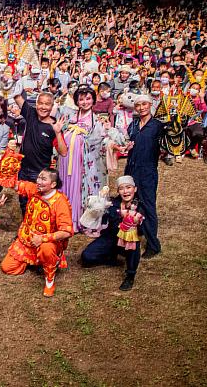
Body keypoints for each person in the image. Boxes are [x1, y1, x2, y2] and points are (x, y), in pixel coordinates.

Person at [0, 169, 73, 297]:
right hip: (26, 241)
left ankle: (49, 280)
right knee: (8, 268)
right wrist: (6, 169)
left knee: (47, 248)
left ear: (53, 184)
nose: (38, 181)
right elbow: (16, 184)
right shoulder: (34, 190)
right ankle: (34, 261)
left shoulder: (59, 202)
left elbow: (66, 231)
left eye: (43, 179)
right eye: (38, 178)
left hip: (47, 243)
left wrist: (43, 238)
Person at [57, 85, 108, 231]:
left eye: (88, 99)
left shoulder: (96, 120)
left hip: (82, 161)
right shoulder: (70, 116)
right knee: (64, 183)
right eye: (81, 99)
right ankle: (63, 218)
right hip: (66, 159)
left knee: (78, 186)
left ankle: (77, 219)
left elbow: (98, 141)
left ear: (93, 100)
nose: (85, 102)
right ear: (76, 101)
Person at [80, 176, 143, 291]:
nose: (125, 191)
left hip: (127, 240)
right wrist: (96, 205)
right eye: (121, 189)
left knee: (134, 243)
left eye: (128, 187)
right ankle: (111, 258)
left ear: (135, 189)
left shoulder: (139, 205)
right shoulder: (112, 203)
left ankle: (130, 275)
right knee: (86, 258)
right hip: (111, 237)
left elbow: (143, 230)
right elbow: (99, 217)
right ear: (118, 191)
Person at [123, 94, 164, 258]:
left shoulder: (157, 126)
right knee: (131, 204)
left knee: (148, 205)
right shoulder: (133, 125)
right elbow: (128, 142)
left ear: (150, 105)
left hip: (147, 170)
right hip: (132, 168)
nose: (141, 108)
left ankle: (153, 244)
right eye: (138, 105)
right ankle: (130, 236)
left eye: (144, 104)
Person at [13, 91, 67, 216]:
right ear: (36, 104)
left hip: (39, 172)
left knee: (37, 203)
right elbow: (16, 96)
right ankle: (26, 230)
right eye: (40, 103)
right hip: (23, 168)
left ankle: (37, 231)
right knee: (23, 201)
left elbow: (63, 152)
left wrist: (58, 133)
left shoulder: (54, 126)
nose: (43, 107)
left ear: (52, 106)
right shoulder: (30, 113)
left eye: (47, 104)